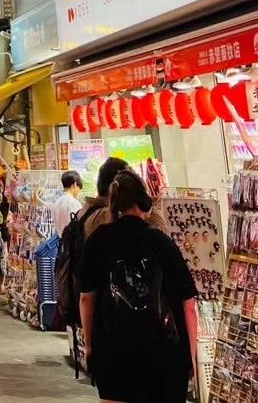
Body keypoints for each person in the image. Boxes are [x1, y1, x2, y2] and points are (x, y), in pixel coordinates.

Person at [79, 169, 198, 403]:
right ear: (144, 201)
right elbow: (188, 304)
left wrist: (90, 344)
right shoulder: (161, 242)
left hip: (114, 351)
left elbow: (86, 299)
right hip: (164, 354)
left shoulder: (99, 240)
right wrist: (190, 355)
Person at [53, 171, 83, 237]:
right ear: (75, 185)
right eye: (79, 188)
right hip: (72, 243)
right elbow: (78, 227)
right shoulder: (74, 203)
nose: (78, 191)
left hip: (61, 241)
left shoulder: (57, 202)